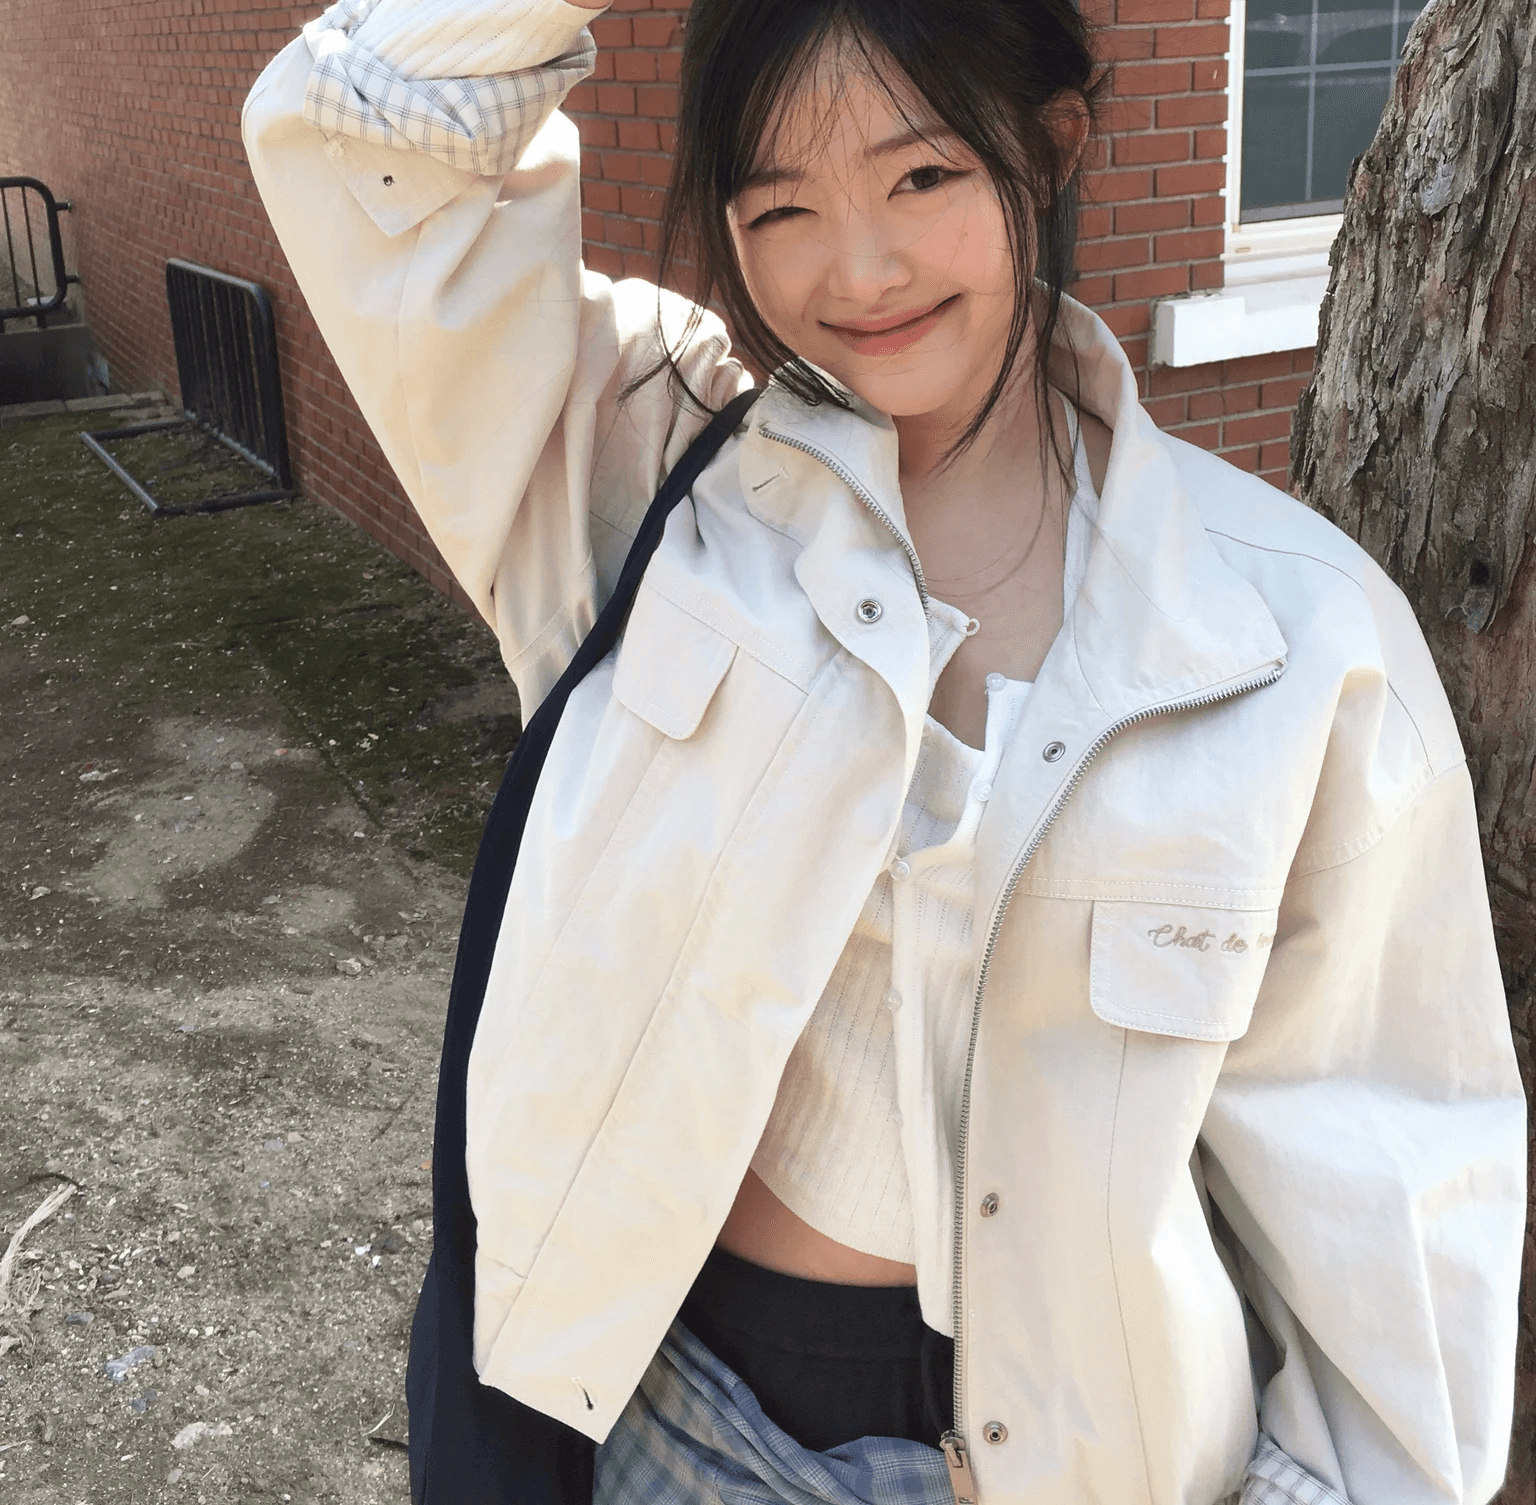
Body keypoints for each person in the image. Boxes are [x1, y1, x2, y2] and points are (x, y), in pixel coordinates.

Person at [242, 0, 1527, 1501]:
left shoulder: (1295, 639)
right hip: (663, 1415)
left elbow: (1395, 1220)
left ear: (1049, 146)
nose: (859, 272)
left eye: (921, 178)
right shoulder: (649, 465)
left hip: (1074, 1464)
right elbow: (359, 131)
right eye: (780, 207)